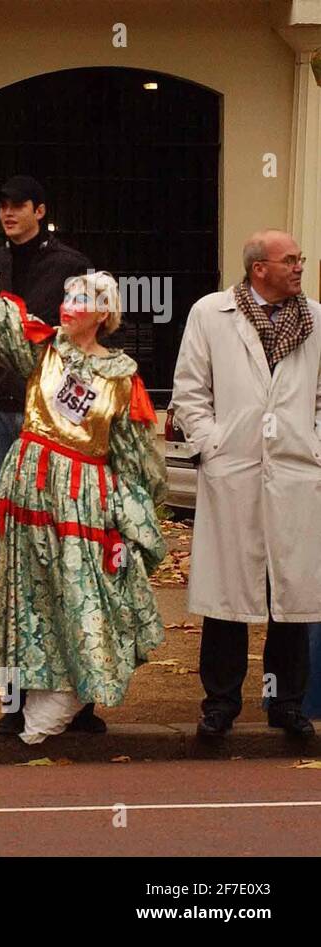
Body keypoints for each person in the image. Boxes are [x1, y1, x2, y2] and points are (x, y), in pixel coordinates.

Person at [0, 214, 167, 744]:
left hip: (84, 499)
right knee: (22, 593)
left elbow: (135, 459)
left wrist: (133, 519)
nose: (67, 305)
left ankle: (79, 703)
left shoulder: (124, 381)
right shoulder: (42, 349)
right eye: (67, 297)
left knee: (78, 591)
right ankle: (17, 703)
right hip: (30, 484)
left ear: (103, 315)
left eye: (80, 299)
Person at [171, 229, 319, 740]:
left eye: (300, 259)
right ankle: (220, 705)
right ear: (260, 268)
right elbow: (190, 391)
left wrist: (313, 447)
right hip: (233, 472)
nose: (300, 267)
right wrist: (212, 447)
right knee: (228, 598)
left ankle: (287, 704)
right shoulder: (211, 314)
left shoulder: (315, 318)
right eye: (291, 260)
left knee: (291, 595)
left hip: (296, 474)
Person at [0, 175, 101, 734]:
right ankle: (15, 698)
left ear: (40, 209)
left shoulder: (73, 266)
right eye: (2, 205)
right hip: (2, 411)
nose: (8, 213)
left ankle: (79, 698)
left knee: (68, 552)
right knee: (14, 558)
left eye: (18, 206)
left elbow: (87, 336)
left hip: (57, 419)